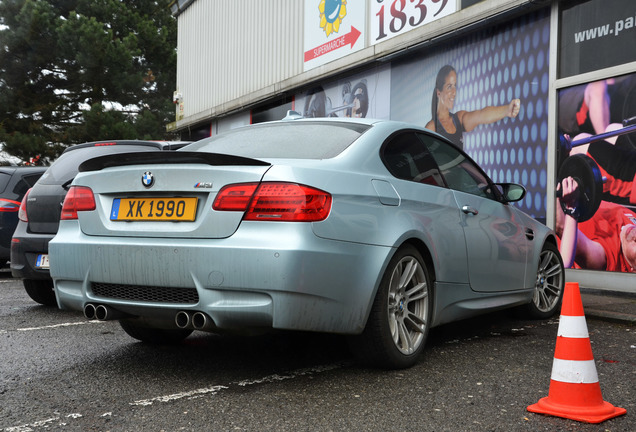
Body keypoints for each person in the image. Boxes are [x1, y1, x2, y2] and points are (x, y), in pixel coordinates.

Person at [425, 65, 521, 149]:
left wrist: (506, 110)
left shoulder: (459, 118)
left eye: (455, 86)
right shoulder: (432, 128)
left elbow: (481, 115)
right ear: (438, 92)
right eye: (449, 86)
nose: (454, 92)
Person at [556, 177, 636, 272]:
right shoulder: (632, 222)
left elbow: (560, 226)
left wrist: (571, 204)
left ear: (633, 270)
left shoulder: (605, 260)